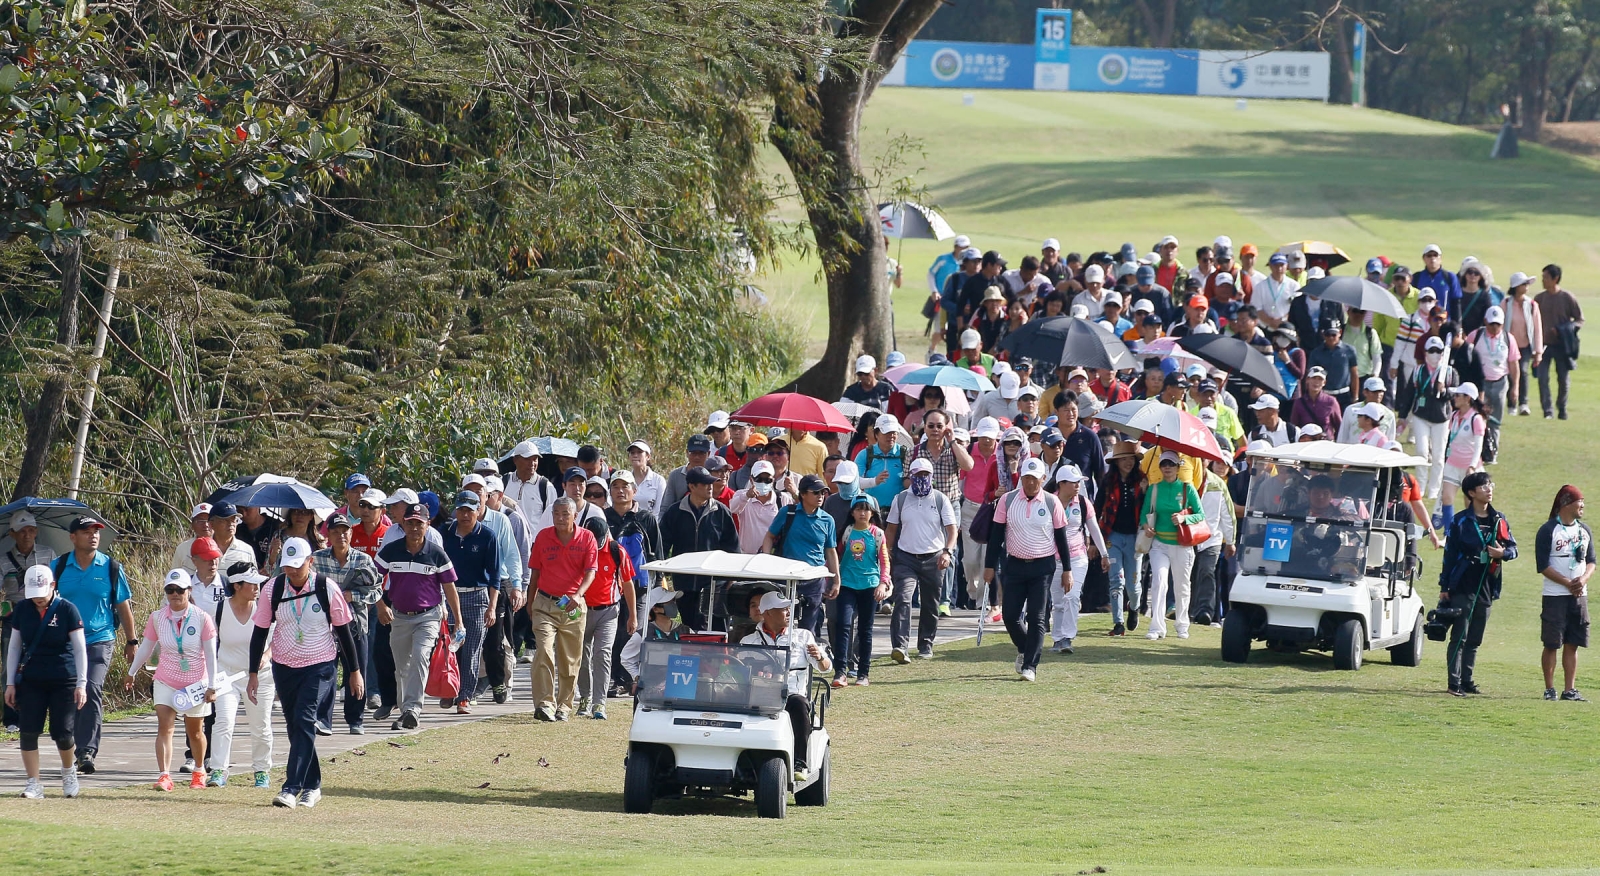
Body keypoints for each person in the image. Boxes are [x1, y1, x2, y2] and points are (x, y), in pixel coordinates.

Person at [245, 538, 361, 808]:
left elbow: (345, 632)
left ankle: (291, 787)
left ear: (311, 561)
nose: (293, 571)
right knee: (297, 727)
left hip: (319, 666)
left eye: (298, 565)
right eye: (288, 566)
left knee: (304, 718)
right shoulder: (272, 589)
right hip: (284, 667)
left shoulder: (325, 588)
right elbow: (260, 632)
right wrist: (252, 672)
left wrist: (355, 671)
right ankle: (313, 786)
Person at [51, 515, 135, 777]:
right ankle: (71, 743)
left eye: (96, 531)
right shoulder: (58, 566)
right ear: (73, 537)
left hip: (100, 638)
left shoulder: (110, 567)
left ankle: (86, 750)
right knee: (69, 692)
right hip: (65, 642)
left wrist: (132, 641)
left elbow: (123, 605)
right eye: (86, 531)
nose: (93, 535)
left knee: (91, 687)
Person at [126, 569, 218, 791]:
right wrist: (132, 671)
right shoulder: (157, 618)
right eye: (170, 590)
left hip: (195, 681)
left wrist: (212, 685)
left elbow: (210, 654)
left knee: (195, 731)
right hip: (166, 678)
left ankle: (198, 770)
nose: (175, 594)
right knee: (164, 727)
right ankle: (164, 775)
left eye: (180, 590)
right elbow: (147, 646)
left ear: (189, 591)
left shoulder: (202, 618)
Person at [376, 504, 463, 731]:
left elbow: (450, 588)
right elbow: (373, 580)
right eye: (410, 523)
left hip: (429, 617)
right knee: (401, 667)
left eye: (419, 523)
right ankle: (406, 710)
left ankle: (413, 709)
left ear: (428, 524)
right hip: (399, 617)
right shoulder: (391, 550)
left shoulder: (436, 553)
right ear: (403, 524)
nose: (414, 528)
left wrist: (459, 621)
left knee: (420, 657)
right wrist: (380, 605)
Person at [984, 458, 1072, 681]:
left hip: (1043, 566)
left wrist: (1067, 570)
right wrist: (989, 566)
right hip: (1014, 564)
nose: (1030, 483)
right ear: (1021, 478)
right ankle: (1025, 649)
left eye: (1035, 478)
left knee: (1037, 616)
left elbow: (1061, 539)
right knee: (1010, 616)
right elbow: (995, 536)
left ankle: (1030, 665)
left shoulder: (1052, 503)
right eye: (1026, 478)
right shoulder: (1008, 500)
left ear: (1043, 479)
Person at [5, 565, 86, 799]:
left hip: (64, 678)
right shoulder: (22, 609)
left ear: (53, 586)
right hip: (32, 679)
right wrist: (10, 683)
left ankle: (68, 772)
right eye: (33, 593)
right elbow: (14, 647)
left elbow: (80, 650)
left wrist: (81, 684)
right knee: (28, 730)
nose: (38, 599)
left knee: (62, 732)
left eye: (42, 592)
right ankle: (34, 783)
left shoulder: (68, 610)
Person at [1437, 471, 1516, 696]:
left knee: (1475, 637)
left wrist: (1502, 553)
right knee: (1460, 636)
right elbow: (1449, 555)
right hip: (1463, 584)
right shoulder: (1460, 520)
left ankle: (1467, 680)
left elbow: (1513, 548)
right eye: (1483, 486)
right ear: (1471, 493)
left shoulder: (1499, 519)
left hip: (1488, 585)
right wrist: (1444, 587)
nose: (1489, 489)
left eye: (1490, 485)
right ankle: (1454, 683)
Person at [740, 592, 831, 782]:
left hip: (790, 695)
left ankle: (800, 762)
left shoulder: (803, 636)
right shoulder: (748, 641)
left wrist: (820, 656)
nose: (789, 611)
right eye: (783, 608)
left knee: (798, 703)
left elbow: (825, 668)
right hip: (758, 695)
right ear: (767, 613)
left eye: (789, 608)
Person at [525, 497, 597, 722]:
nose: (560, 518)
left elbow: (591, 572)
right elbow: (535, 572)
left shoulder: (587, 537)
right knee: (544, 651)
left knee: (570, 659)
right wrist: (530, 601)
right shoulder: (543, 537)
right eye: (556, 513)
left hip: (572, 606)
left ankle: (564, 706)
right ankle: (545, 704)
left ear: (575, 515)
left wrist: (578, 594)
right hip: (545, 603)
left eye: (565, 513)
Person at [204, 562, 274, 787]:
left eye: (257, 583)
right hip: (227, 673)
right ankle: (218, 770)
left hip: (260, 676)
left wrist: (266, 655)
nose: (256, 587)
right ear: (236, 585)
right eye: (251, 583)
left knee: (260, 724)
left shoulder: (265, 608)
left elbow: (276, 638)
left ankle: (262, 770)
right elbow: (208, 641)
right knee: (223, 721)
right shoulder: (220, 609)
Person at [885, 457, 960, 662]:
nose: (921, 479)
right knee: (903, 598)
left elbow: (952, 530)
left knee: (930, 603)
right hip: (906, 558)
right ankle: (900, 645)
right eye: (917, 475)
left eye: (925, 475)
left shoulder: (940, 499)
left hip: (934, 558)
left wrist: (947, 551)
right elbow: (891, 529)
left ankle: (925, 644)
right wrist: (886, 553)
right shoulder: (900, 499)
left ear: (931, 477)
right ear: (910, 476)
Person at [440, 491, 500, 716]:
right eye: (461, 509)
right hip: (449, 596)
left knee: (472, 650)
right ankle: (449, 687)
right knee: (449, 647)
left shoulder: (487, 536)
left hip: (477, 598)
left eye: (470, 510)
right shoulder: (444, 532)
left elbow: (495, 577)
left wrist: (492, 607)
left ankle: (464, 696)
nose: (465, 514)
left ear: (478, 511)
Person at [657, 466, 739, 631]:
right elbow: (662, 547)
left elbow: (733, 548)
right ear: (692, 486)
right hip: (685, 584)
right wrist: (660, 577)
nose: (710, 487)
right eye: (705, 483)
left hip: (715, 585)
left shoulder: (722, 512)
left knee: (716, 631)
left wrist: (731, 580)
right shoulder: (674, 513)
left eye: (711, 483)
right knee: (690, 631)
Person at [761, 475, 840, 639]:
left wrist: (836, 580)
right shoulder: (788, 512)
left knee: (808, 628)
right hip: (786, 578)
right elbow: (769, 537)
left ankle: (803, 662)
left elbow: (830, 551)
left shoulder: (828, 520)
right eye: (816, 492)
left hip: (814, 580)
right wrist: (766, 561)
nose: (820, 496)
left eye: (823, 493)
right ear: (803, 494)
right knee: (781, 623)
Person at [1536, 485, 1593, 702]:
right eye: (1580, 501)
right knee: (1552, 643)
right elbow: (1542, 565)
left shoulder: (1584, 530)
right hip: (1554, 596)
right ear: (1567, 503)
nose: (1583, 506)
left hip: (1579, 596)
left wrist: (1583, 580)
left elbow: (1591, 561)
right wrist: (1568, 583)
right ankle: (1549, 689)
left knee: (1573, 642)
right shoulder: (1548, 530)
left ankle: (1570, 689)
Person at [1140, 451, 1205, 641]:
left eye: (1171, 464)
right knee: (1159, 582)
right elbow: (1145, 512)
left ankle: (1182, 624)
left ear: (1178, 467)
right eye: (1163, 464)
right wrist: (1146, 526)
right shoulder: (1155, 489)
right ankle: (1156, 627)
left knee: (1182, 585)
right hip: (1160, 543)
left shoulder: (1187, 488)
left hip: (1182, 545)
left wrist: (1184, 517)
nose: (1167, 467)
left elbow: (1200, 515)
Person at [576, 517, 636, 720]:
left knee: (602, 654)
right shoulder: (579, 548)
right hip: (582, 610)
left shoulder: (616, 550)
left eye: (599, 538)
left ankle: (599, 703)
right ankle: (584, 697)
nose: (596, 542)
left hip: (608, 612)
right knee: (581, 655)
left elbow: (628, 584)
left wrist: (633, 617)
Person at [1, 511, 56, 732]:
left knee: (42, 664)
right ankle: (11, 717)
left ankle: (40, 713)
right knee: (10, 666)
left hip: (43, 615)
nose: (27, 535)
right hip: (14, 616)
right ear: (13, 534)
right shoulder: (4, 560)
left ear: (37, 532)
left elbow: (56, 585)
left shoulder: (48, 554)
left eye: (31, 530)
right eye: (22, 531)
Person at [833, 495, 890, 687]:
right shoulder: (846, 532)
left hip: (870, 586)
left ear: (873, 512)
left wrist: (883, 584)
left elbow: (884, 562)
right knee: (843, 625)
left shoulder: (878, 534)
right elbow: (836, 556)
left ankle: (863, 673)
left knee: (865, 630)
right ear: (852, 512)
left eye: (866, 509)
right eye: (858, 509)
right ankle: (840, 671)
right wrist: (833, 579)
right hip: (847, 584)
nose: (862, 513)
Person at [1050, 464, 1106, 655]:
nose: (1077, 487)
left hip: (1077, 556)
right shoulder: (1049, 502)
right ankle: (1057, 638)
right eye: (1073, 483)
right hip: (1053, 558)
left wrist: (1104, 553)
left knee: (1072, 596)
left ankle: (1067, 637)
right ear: (1061, 484)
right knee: (1057, 602)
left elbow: (1094, 529)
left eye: (1079, 483)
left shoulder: (1083, 502)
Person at [1098, 441, 1146, 636]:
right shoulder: (1107, 482)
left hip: (1135, 538)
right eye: (1123, 459)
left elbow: (1147, 510)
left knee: (1133, 584)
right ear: (1116, 462)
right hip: (1113, 537)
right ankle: (1118, 623)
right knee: (1115, 579)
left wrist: (1144, 492)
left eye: (1131, 459)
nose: (1128, 462)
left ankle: (1133, 608)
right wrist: (1095, 540)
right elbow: (1096, 507)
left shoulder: (1142, 481)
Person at [1189, 451, 1238, 627]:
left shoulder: (1217, 483)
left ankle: (1205, 612)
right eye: (1198, 459)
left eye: (1204, 459)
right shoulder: (1185, 481)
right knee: (1190, 574)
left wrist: (1230, 541)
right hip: (1188, 536)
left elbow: (1228, 514)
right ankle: (1189, 610)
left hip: (1212, 538)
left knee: (1207, 571)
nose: (1201, 462)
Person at [1466, 306, 1516, 462]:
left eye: (1498, 324)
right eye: (1492, 324)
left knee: (1495, 421)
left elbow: (1514, 364)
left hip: (1500, 383)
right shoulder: (1476, 335)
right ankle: (1476, 452)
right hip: (1480, 384)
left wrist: (1515, 387)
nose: (1495, 327)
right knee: (1478, 418)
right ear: (1486, 321)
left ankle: (1492, 453)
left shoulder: (1508, 338)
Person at [1534, 264, 1582, 420]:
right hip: (1543, 345)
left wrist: (1564, 329)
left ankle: (1562, 408)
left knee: (1563, 379)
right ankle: (1547, 410)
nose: (1543, 280)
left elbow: (1579, 320)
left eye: (1546, 278)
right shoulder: (1539, 299)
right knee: (1542, 378)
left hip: (1562, 345)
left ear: (1555, 279)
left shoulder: (1567, 298)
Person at [1437, 383, 1485, 529]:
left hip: (1470, 467)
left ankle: (1472, 532)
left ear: (1467, 398)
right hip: (1452, 464)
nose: (1454, 398)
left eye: (1458, 395)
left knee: (1469, 503)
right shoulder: (1454, 416)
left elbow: (1478, 446)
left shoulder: (1476, 418)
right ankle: (1449, 534)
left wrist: (1472, 466)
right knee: (1446, 498)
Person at [1502, 271, 1543, 416]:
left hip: (1525, 346)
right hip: (1508, 346)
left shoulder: (1532, 305)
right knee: (1509, 374)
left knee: (1523, 372)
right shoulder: (1506, 304)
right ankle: (1511, 404)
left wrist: (1538, 351)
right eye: (1523, 284)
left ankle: (1523, 403)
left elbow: (1537, 328)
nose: (1526, 287)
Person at [855, 413, 908, 509]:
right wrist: (874, 481)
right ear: (876, 434)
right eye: (887, 432)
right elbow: (855, 482)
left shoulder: (906, 454)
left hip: (900, 511)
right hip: (871, 511)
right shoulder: (864, 454)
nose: (891, 436)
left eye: (894, 432)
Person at [1413, 244, 1462, 322]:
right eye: (1429, 255)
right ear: (1424, 258)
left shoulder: (1449, 277)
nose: (1432, 258)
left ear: (1440, 258)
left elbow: (1456, 303)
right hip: (1420, 322)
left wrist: (1457, 325)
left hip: (1443, 322)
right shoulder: (1417, 277)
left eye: (1435, 255)